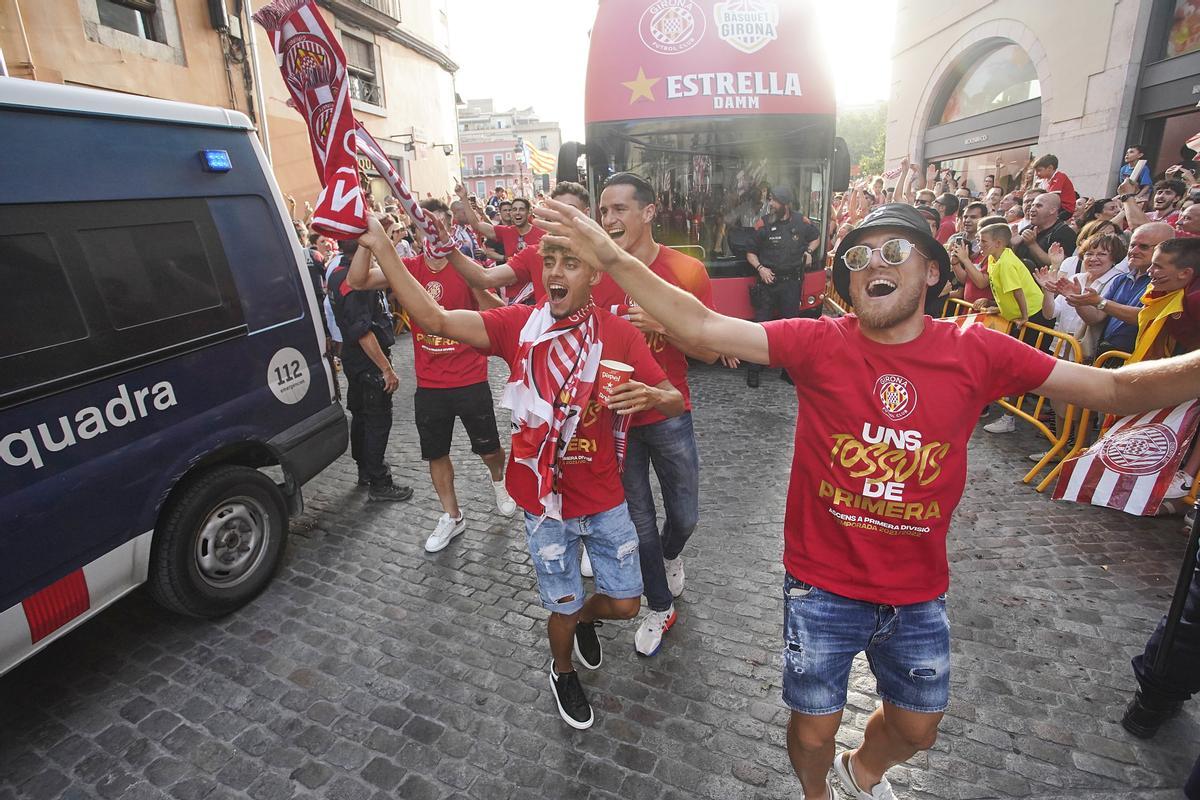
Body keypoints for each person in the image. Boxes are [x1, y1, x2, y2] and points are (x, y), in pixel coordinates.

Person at [531, 197, 1200, 800]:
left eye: (893, 251)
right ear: (848, 283)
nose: (872, 263)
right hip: (822, 587)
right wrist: (613, 256)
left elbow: (1113, 391)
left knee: (918, 728)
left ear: (933, 272)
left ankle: (862, 775)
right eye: (857, 256)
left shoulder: (978, 350)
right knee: (814, 734)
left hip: (918, 591)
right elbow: (704, 329)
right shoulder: (820, 342)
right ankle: (817, 793)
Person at [353, 214, 683, 731]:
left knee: (624, 603)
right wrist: (383, 248)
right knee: (562, 605)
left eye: (571, 262)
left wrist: (650, 395)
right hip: (542, 499)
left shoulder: (617, 334)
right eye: (549, 261)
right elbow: (435, 318)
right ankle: (562, 670)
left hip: (603, 497)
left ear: (595, 274)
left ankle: (586, 620)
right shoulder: (516, 326)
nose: (556, 271)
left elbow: (674, 397)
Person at [597, 172, 721, 656]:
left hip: (671, 412)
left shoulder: (686, 272)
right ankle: (658, 604)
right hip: (618, 419)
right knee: (639, 522)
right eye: (603, 211)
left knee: (684, 516)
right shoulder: (597, 271)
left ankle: (671, 555)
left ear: (648, 213)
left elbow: (709, 353)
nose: (608, 220)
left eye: (619, 210)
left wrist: (665, 327)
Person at [346, 216, 518, 552]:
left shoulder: (466, 269)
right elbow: (358, 280)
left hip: (470, 378)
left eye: (439, 230)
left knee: (489, 449)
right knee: (435, 453)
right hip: (430, 384)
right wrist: (369, 243)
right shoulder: (407, 267)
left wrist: (475, 285)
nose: (432, 237)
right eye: (424, 230)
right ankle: (452, 516)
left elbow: (501, 316)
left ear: (450, 233)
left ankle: (500, 481)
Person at [326, 240, 413, 503]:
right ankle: (378, 481)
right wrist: (386, 369)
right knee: (376, 421)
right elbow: (362, 332)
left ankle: (365, 470)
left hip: (355, 359)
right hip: (367, 360)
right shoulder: (352, 280)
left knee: (363, 417)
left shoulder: (340, 273)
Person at [745, 185, 821, 387]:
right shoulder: (764, 224)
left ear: (785, 204)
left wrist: (809, 252)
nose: (770, 204)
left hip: (791, 284)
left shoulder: (800, 221)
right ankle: (754, 368)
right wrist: (760, 268)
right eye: (770, 200)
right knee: (761, 328)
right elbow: (750, 252)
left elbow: (815, 237)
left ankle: (789, 371)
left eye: (774, 201)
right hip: (768, 283)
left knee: (792, 328)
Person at [1067, 223, 1175, 356]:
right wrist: (1078, 300)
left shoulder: (1167, 283)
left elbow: (1144, 317)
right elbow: (1095, 318)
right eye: (1132, 245)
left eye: (1144, 247)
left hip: (1138, 361)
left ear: (1165, 249)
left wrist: (1100, 302)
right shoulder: (1121, 279)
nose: (1134, 251)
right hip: (1106, 355)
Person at [1013, 192, 1077, 270]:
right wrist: (1013, 245)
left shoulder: (1065, 233)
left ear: (1052, 210)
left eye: (1038, 206)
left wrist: (1032, 244)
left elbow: (1058, 265)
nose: (1032, 209)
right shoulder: (1028, 228)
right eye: (1032, 205)